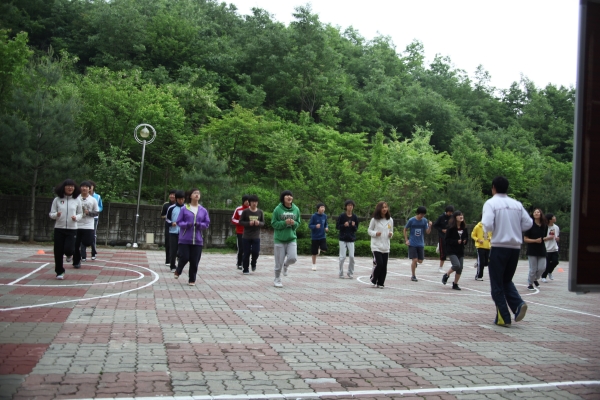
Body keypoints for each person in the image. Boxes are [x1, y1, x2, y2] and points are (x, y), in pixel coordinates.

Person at [482, 176, 532, 327]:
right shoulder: (517, 204)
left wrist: (496, 229)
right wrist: (514, 228)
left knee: (497, 282)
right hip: (515, 248)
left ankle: (504, 317)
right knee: (506, 280)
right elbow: (528, 223)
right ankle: (518, 304)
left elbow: (487, 224)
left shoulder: (491, 203)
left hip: (499, 246)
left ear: (493, 188)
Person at [174, 188, 210, 286]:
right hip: (184, 239)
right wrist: (187, 224)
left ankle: (192, 279)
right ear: (190, 196)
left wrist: (199, 225)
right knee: (184, 257)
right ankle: (178, 270)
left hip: (198, 239)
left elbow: (207, 223)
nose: (197, 195)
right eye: (195, 193)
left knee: (195, 261)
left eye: (198, 193)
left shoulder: (203, 210)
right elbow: (179, 222)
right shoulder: (184, 208)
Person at [49, 179, 82, 280]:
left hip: (72, 229)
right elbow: (51, 214)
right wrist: (56, 215)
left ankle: (69, 254)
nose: (70, 188)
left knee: (69, 249)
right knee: (58, 251)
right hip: (59, 228)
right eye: (68, 186)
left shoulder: (77, 200)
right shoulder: (57, 200)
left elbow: (80, 213)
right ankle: (59, 271)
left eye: (72, 186)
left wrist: (76, 218)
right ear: (63, 187)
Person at [271, 190, 301, 288]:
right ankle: (277, 279)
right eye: (287, 195)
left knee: (293, 258)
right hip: (279, 239)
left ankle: (286, 265)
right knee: (278, 261)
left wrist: (294, 223)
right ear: (283, 198)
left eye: (290, 195)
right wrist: (284, 223)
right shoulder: (277, 209)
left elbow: (298, 223)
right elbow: (273, 223)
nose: (289, 197)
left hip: (291, 238)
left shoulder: (296, 209)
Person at [72, 181, 99, 269]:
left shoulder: (93, 200)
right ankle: (76, 261)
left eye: (86, 187)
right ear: (80, 188)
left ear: (90, 189)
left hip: (88, 225)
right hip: (77, 224)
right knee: (76, 245)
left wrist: (89, 213)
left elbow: (96, 212)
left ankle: (84, 250)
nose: (84, 188)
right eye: (83, 186)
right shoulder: (76, 198)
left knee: (88, 241)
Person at [368, 202, 393, 288]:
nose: (384, 209)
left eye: (386, 207)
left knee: (384, 266)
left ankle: (381, 282)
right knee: (379, 263)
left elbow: (391, 230)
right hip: (376, 246)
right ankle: (373, 279)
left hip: (386, 246)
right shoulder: (374, 220)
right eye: (383, 207)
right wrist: (375, 233)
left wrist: (391, 234)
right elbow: (369, 230)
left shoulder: (390, 220)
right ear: (379, 209)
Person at [404, 206, 433, 282]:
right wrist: (406, 240)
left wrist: (430, 226)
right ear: (418, 213)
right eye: (421, 214)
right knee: (414, 259)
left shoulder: (424, 221)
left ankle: (415, 263)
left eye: (423, 214)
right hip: (412, 243)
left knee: (420, 261)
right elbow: (405, 229)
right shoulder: (411, 220)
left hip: (420, 243)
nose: (422, 216)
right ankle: (413, 276)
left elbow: (427, 232)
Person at [441, 211, 469, 290]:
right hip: (452, 250)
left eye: (461, 215)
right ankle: (446, 275)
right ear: (455, 217)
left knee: (460, 268)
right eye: (459, 215)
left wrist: (465, 240)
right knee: (456, 265)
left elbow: (466, 237)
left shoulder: (464, 228)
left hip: (460, 250)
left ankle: (455, 284)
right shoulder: (450, 228)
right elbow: (447, 239)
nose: (461, 216)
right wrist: (456, 241)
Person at [239, 195, 265, 275]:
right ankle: (245, 269)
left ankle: (253, 263)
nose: (254, 203)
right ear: (249, 203)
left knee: (256, 252)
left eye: (256, 202)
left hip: (256, 236)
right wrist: (248, 223)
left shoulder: (260, 212)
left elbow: (263, 223)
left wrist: (259, 223)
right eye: (253, 202)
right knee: (246, 253)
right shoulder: (245, 211)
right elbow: (241, 222)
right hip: (246, 236)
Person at [523, 208, 548, 290]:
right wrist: (535, 240)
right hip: (532, 249)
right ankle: (530, 283)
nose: (536, 213)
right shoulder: (529, 225)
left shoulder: (544, 225)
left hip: (541, 248)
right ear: (533, 214)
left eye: (538, 212)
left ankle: (535, 279)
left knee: (542, 268)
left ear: (541, 214)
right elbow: (525, 239)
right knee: (533, 269)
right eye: (535, 212)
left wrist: (547, 238)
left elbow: (543, 237)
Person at [337, 200, 359, 279]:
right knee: (342, 257)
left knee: (352, 257)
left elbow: (356, 228)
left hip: (351, 238)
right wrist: (344, 225)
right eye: (349, 205)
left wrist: (353, 226)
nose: (350, 207)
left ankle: (350, 272)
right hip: (342, 238)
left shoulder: (355, 217)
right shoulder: (342, 216)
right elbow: (337, 227)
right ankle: (341, 273)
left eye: (351, 205)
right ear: (346, 207)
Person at [166, 190, 185, 272]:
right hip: (173, 232)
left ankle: (180, 265)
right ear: (176, 199)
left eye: (182, 199)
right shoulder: (171, 208)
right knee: (173, 250)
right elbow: (167, 219)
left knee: (182, 250)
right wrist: (171, 223)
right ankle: (172, 266)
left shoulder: (187, 208)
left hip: (183, 232)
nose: (181, 201)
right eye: (179, 199)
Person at [433, 205, 454, 273]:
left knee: (451, 250)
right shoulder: (441, 217)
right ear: (446, 211)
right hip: (442, 236)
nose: (450, 213)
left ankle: (454, 265)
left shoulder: (452, 217)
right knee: (443, 252)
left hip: (450, 236)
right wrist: (442, 230)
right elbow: (435, 225)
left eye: (451, 212)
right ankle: (440, 267)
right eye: (449, 212)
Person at [231, 195, 250, 270]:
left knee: (248, 249)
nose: (247, 202)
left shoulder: (252, 210)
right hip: (240, 232)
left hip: (249, 232)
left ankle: (246, 263)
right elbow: (233, 219)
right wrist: (240, 222)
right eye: (246, 200)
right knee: (241, 248)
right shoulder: (238, 209)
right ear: (243, 201)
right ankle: (239, 263)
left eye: (248, 200)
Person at [308, 203, 329, 272]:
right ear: (318, 208)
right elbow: (310, 225)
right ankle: (314, 265)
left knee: (324, 249)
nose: (323, 209)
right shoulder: (314, 216)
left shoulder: (325, 216)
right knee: (314, 253)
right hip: (315, 237)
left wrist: (326, 227)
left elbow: (326, 224)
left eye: (324, 207)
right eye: (321, 207)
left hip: (322, 236)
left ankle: (319, 248)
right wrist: (315, 226)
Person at [471, 214, 492, 281]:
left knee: (486, 262)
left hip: (487, 246)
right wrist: (478, 240)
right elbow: (473, 235)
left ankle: (478, 262)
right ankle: (479, 276)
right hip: (480, 246)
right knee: (482, 262)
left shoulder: (490, 227)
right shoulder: (478, 227)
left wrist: (490, 238)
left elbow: (492, 235)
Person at [541, 213, 560, 282]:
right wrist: (548, 238)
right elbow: (541, 238)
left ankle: (550, 272)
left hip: (554, 248)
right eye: (553, 217)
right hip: (547, 248)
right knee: (547, 264)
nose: (555, 218)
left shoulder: (556, 227)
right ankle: (543, 276)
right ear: (550, 219)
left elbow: (557, 236)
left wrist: (557, 238)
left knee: (555, 261)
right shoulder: (544, 227)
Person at [88, 180, 103, 260]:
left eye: (90, 186)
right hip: (84, 218)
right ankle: (82, 254)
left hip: (94, 218)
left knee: (93, 235)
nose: (89, 188)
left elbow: (100, 207)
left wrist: (95, 211)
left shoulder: (97, 196)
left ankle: (93, 252)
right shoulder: (81, 196)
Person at [161, 190, 176, 266]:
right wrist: (169, 218)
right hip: (169, 226)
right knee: (168, 243)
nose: (172, 196)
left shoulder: (180, 205)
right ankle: (168, 260)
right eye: (170, 194)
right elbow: (162, 215)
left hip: (178, 227)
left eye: (173, 194)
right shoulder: (166, 205)